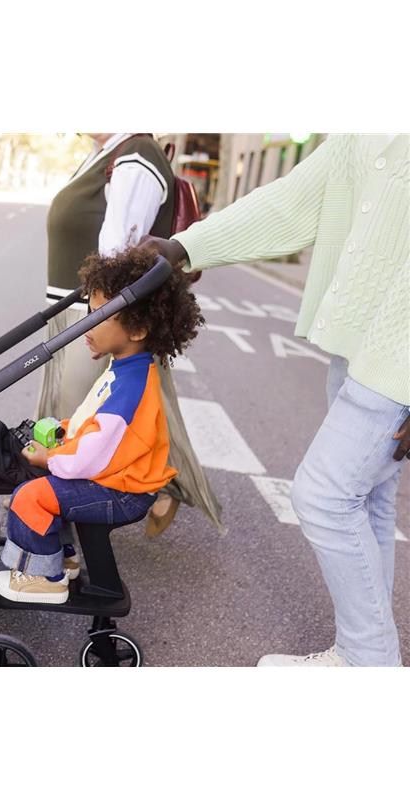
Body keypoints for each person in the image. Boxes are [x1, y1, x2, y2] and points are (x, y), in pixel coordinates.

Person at [141, 134, 409, 666]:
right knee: (368, 502)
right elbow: (293, 201)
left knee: (324, 496)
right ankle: (359, 652)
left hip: (398, 352)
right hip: (357, 338)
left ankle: (370, 664)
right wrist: (186, 247)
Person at [0, 247, 205, 603]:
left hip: (121, 492)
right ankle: (62, 558)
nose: (88, 324)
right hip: (117, 479)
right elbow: (93, 424)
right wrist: (63, 432)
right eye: (91, 313)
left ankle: (43, 578)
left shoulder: (128, 389)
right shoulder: (128, 368)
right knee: (46, 485)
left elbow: (92, 453)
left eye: (101, 317)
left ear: (137, 329)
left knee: (30, 496)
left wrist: (50, 458)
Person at [38, 133, 223, 537]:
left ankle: (64, 524)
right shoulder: (103, 153)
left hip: (96, 313)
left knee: (87, 412)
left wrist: (102, 320)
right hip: (78, 308)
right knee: (112, 410)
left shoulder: (137, 152)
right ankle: (148, 486)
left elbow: (119, 249)